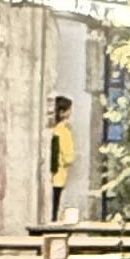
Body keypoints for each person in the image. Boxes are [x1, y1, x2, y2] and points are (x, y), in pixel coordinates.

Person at [43, 94, 79, 225]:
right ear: (63, 112)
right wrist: (69, 158)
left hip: (55, 171)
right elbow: (67, 153)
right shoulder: (63, 130)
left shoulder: (54, 129)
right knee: (56, 201)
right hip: (59, 170)